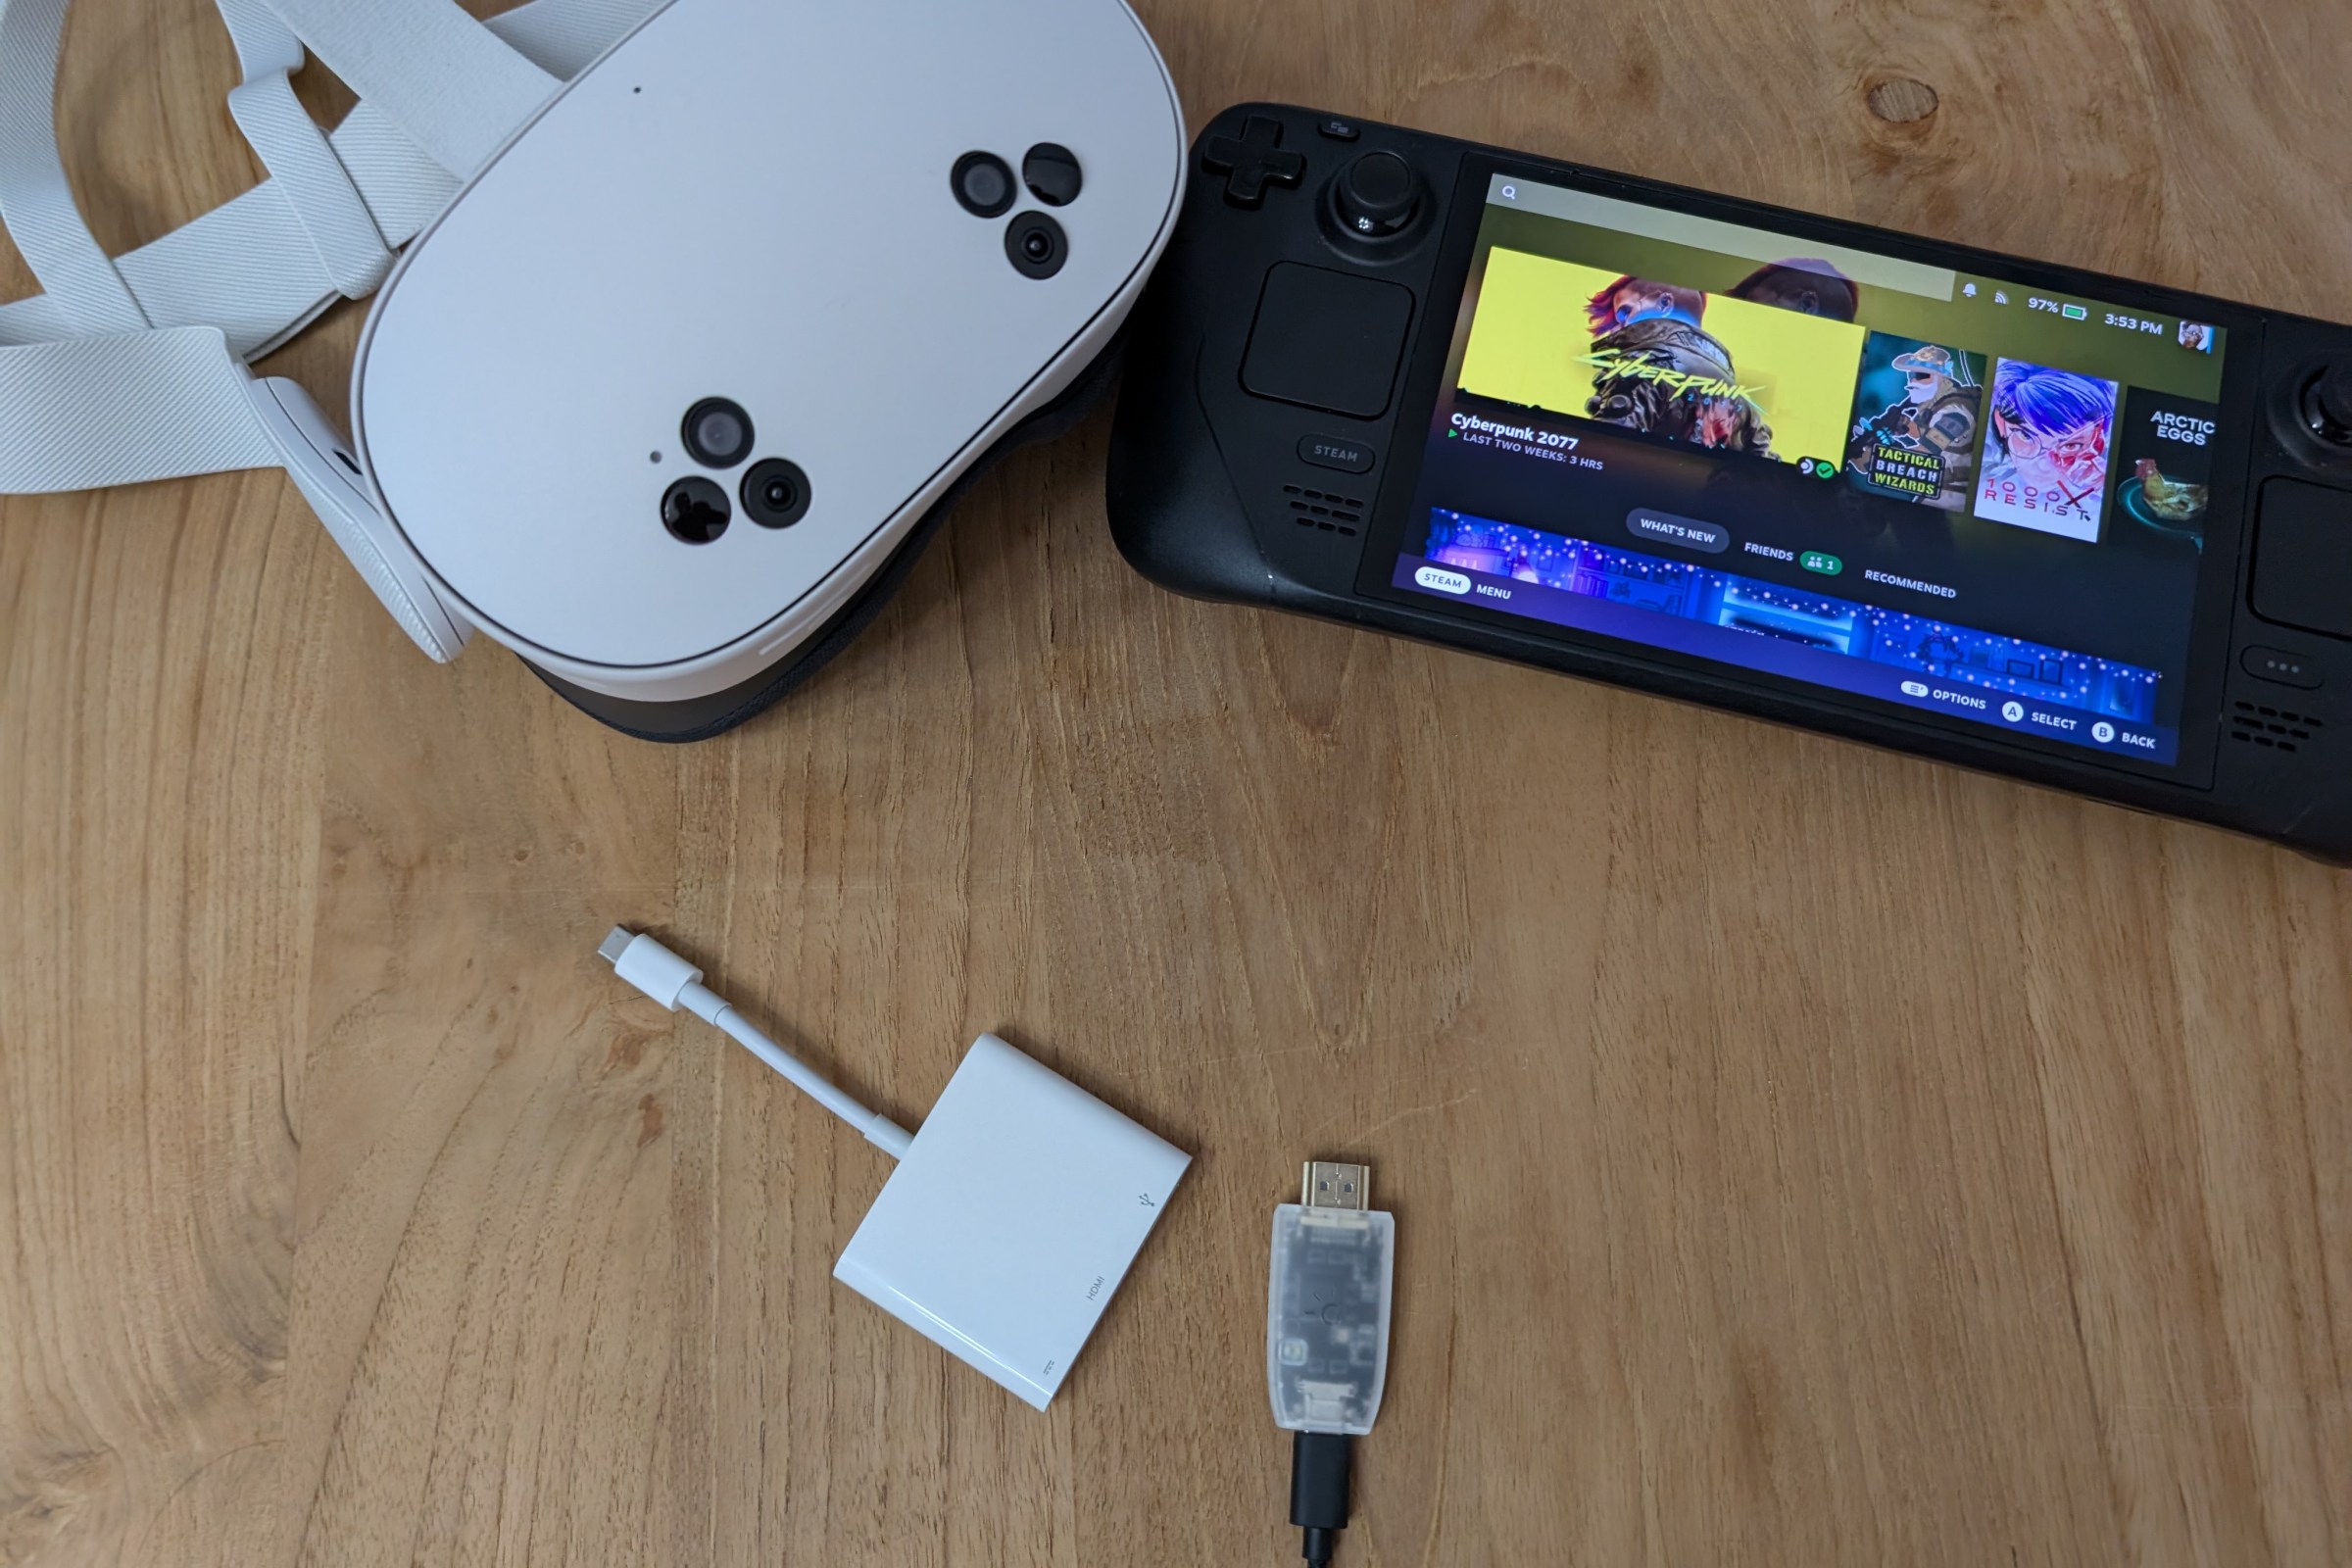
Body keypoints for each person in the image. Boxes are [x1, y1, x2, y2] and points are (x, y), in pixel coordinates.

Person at [1847, 344, 1980, 508]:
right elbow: (1940, 438)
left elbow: (1922, 458)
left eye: (1922, 375)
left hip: (1949, 497)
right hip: (1937, 494)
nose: (1913, 382)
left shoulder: (1954, 413)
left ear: (1942, 378)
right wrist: (1908, 426)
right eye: (1911, 375)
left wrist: (1869, 460)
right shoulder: (1937, 405)